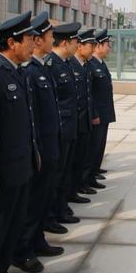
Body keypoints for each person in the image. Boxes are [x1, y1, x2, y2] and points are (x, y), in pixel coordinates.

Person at [0, 12, 41, 273]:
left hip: (21, 167)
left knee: (12, 229)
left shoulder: (17, 73)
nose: (33, 45)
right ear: (13, 43)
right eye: (29, 40)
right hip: (4, 173)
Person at [13, 12, 64, 273]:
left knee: (43, 198)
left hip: (50, 145)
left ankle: (37, 239)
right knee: (32, 203)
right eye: (49, 36)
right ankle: (23, 250)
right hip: (39, 148)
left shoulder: (42, 68)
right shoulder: (30, 72)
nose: (51, 40)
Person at [45, 22, 82, 230]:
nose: (77, 45)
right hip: (59, 129)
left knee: (64, 172)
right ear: (66, 43)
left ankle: (61, 209)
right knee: (56, 176)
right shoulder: (52, 65)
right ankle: (51, 215)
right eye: (75, 41)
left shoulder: (65, 63)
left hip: (69, 128)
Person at [69, 29, 98, 200]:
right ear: (79, 46)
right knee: (71, 162)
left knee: (81, 157)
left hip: (84, 120)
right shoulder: (70, 65)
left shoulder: (85, 65)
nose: (93, 49)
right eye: (90, 46)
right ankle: (72, 190)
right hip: (74, 122)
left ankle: (77, 187)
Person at [85, 29, 115, 188]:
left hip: (105, 112)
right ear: (97, 47)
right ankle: (89, 177)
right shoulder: (90, 65)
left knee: (100, 144)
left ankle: (95, 169)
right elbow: (90, 93)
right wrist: (94, 113)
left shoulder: (100, 64)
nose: (109, 48)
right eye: (107, 45)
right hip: (97, 113)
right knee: (93, 146)